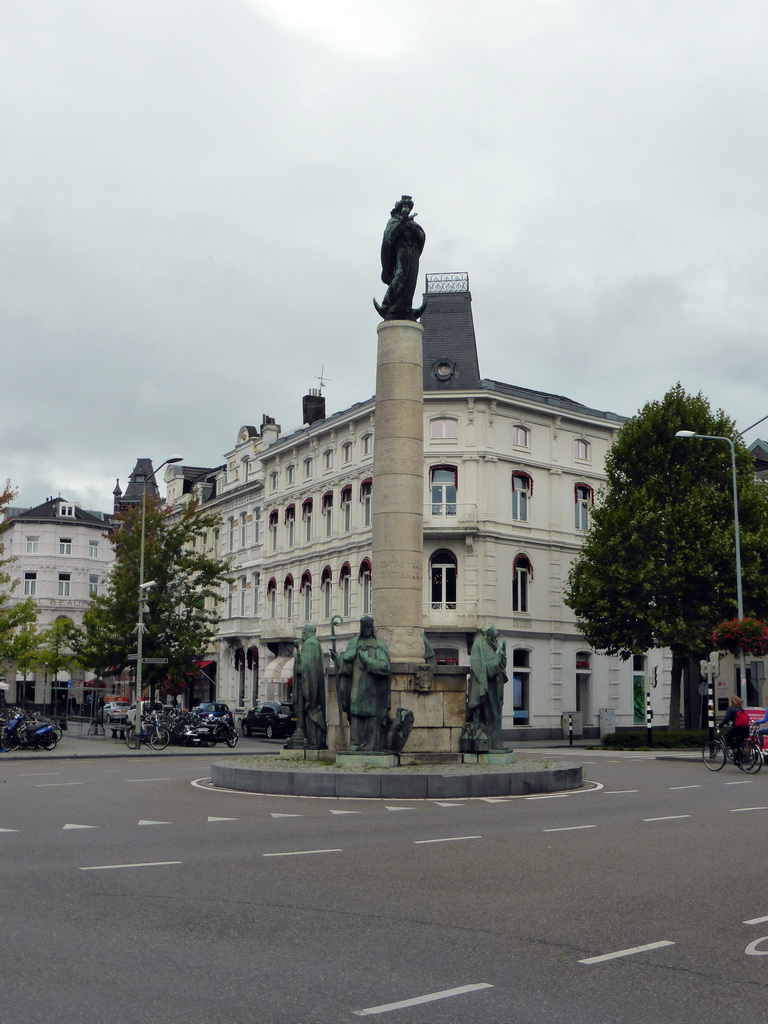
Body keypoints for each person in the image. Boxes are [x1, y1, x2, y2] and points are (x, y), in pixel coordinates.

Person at [331, 616, 391, 751]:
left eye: (368, 627)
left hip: (372, 687)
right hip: (356, 686)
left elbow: (384, 667)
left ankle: (371, 744)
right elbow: (346, 668)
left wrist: (368, 660)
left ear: (372, 628)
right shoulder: (353, 644)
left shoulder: (379, 645)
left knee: (371, 715)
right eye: (364, 627)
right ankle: (355, 743)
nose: (366, 630)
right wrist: (339, 660)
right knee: (356, 713)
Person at [376, 195, 426, 320]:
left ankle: (406, 306)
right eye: (404, 206)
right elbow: (388, 240)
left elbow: (421, 236)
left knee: (411, 279)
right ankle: (388, 304)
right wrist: (401, 225)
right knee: (400, 276)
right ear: (399, 208)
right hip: (400, 251)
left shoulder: (412, 223)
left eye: (408, 207)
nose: (407, 209)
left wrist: (409, 226)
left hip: (412, 253)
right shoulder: (393, 222)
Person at [467, 626, 508, 750]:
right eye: (494, 637)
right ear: (488, 636)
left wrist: (501, 657)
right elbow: (488, 670)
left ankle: (495, 743)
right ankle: (494, 744)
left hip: (493, 687)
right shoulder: (482, 646)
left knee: (494, 716)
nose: (496, 640)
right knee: (492, 716)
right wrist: (498, 658)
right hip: (489, 689)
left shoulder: (488, 646)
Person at [297, 625, 327, 749]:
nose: (301, 636)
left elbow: (307, 669)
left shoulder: (309, 645)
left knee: (311, 712)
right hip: (315, 687)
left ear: (307, 633)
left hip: (311, 689)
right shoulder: (316, 644)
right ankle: (316, 741)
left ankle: (313, 742)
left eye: (303, 633)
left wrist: (297, 665)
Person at [719, 695, 750, 762]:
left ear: (732, 702)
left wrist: (720, 724)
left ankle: (735, 750)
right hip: (746, 729)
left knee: (727, 736)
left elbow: (726, 719)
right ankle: (738, 758)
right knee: (738, 743)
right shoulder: (741, 709)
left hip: (738, 729)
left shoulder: (730, 709)